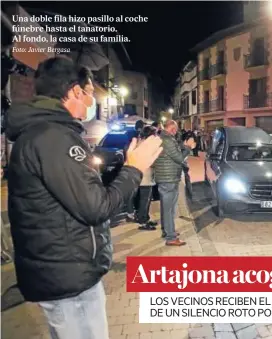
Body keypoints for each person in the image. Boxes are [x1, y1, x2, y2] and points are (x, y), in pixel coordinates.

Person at [4, 56, 163, 339]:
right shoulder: (53, 137)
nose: (91, 102)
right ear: (76, 91)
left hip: (63, 272)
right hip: (69, 278)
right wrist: (133, 169)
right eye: (90, 93)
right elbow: (96, 206)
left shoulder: (46, 133)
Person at [153, 120, 195, 246]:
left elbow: (175, 151)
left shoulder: (164, 138)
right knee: (169, 208)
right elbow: (179, 158)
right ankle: (170, 237)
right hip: (168, 178)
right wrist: (188, 147)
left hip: (167, 177)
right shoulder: (167, 140)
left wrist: (183, 145)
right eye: (175, 129)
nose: (176, 131)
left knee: (166, 208)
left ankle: (167, 231)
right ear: (170, 128)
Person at [136, 126, 159, 231]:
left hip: (144, 176)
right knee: (145, 200)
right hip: (145, 177)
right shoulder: (146, 145)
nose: (156, 136)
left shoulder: (141, 142)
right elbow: (150, 161)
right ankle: (143, 221)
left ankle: (145, 218)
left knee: (146, 199)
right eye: (154, 134)